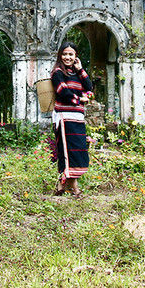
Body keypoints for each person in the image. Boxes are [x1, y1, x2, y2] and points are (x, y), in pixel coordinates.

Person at [50, 41, 93, 197]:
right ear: (60, 55)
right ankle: (76, 191)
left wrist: (80, 69)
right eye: (65, 54)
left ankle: (62, 188)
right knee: (69, 152)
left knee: (78, 151)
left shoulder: (76, 73)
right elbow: (63, 92)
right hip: (64, 117)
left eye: (71, 54)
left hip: (78, 118)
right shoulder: (57, 72)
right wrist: (79, 100)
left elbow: (89, 87)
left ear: (76, 56)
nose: (67, 57)